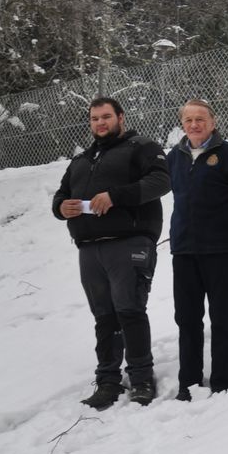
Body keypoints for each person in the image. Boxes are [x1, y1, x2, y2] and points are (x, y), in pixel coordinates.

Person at [53, 97, 171, 409]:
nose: (100, 123)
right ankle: (107, 380)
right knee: (104, 316)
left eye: (106, 117)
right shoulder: (81, 160)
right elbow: (62, 195)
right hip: (90, 248)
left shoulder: (141, 146)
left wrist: (116, 197)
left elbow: (161, 181)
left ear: (121, 117)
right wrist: (60, 207)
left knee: (129, 309)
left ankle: (142, 378)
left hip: (129, 241)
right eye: (94, 119)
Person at [167, 99, 228, 400]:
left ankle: (223, 380)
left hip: (221, 249)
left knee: (223, 316)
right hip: (184, 250)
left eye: (200, 119)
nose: (194, 125)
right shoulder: (174, 157)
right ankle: (188, 380)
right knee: (187, 318)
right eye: (188, 120)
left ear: (213, 122)